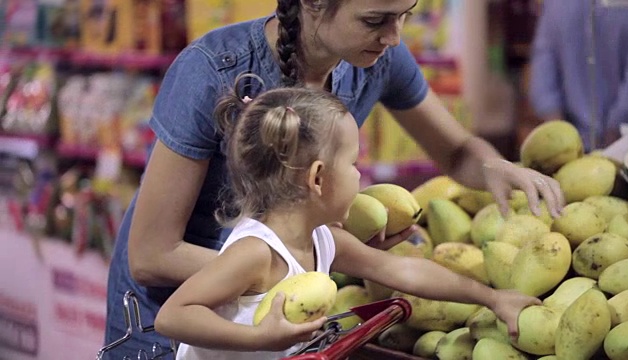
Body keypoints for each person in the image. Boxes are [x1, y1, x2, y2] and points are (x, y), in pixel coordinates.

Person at [103, 0, 565, 358]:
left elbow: (456, 155)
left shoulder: (377, 57)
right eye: (375, 20)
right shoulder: (212, 71)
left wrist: (495, 169)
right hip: (171, 322)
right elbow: (152, 256)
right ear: (312, 5)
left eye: (406, 15)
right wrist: (282, 275)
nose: (393, 36)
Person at [153, 84, 542, 359]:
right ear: (318, 178)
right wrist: (257, 337)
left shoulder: (322, 239)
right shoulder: (256, 252)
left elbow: (401, 270)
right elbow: (173, 316)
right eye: (354, 164)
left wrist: (492, 298)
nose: (360, 177)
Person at [528, 0, 628, 151]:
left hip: (572, 144)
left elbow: (543, 78)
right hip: (626, 141)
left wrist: (560, 144)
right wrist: (613, 133)